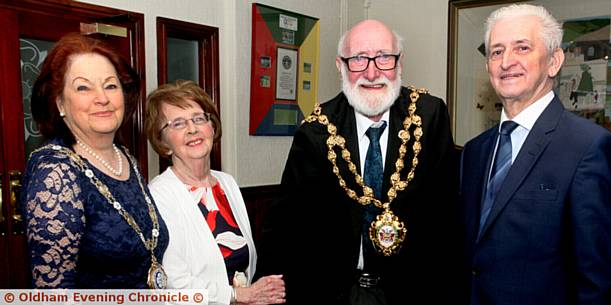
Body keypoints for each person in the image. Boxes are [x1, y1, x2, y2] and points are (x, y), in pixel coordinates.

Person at [256, 20, 461, 305]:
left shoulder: (429, 116)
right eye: (359, 59)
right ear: (340, 66)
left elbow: (446, 212)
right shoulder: (315, 132)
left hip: (414, 290)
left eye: (384, 57)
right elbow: (286, 224)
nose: (373, 72)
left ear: (399, 64)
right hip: (337, 292)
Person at [459, 4, 611, 305]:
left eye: (522, 48)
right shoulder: (474, 152)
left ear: (554, 61)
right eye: (496, 52)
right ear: (487, 67)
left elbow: (599, 281)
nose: (506, 61)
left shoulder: (590, 147)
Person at [22, 32, 169, 288]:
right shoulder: (55, 171)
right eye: (83, 87)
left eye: (111, 85)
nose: (102, 98)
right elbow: (53, 295)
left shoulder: (125, 159)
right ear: (60, 103)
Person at [145, 80, 286, 305]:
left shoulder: (226, 183)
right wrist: (238, 295)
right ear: (163, 143)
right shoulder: (159, 195)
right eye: (178, 124)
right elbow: (173, 282)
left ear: (212, 127)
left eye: (199, 118)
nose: (192, 129)